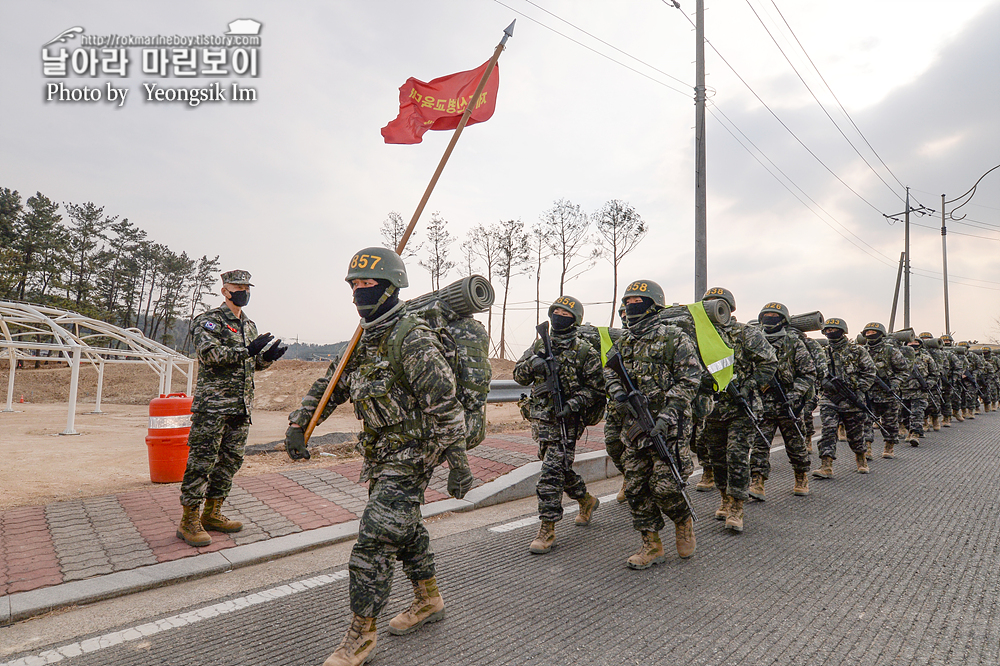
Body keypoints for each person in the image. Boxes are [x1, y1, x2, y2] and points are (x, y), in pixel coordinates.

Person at [284, 248, 473, 666]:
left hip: (416, 452)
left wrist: (459, 464)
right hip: (382, 452)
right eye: (353, 285)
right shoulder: (362, 339)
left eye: (366, 284)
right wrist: (300, 424)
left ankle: (361, 634)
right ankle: (429, 598)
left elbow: (447, 406)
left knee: (375, 537)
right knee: (403, 526)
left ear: (391, 287)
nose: (357, 292)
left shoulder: (413, 337)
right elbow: (331, 384)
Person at [176, 270, 286, 547]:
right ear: (225, 290)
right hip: (213, 406)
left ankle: (213, 513)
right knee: (202, 462)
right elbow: (210, 355)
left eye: (247, 287)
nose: (244, 292)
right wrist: (247, 352)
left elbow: (250, 364)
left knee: (230, 461)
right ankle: (189, 520)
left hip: (240, 405)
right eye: (239, 287)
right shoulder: (209, 321)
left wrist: (266, 359)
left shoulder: (248, 324)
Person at [603, 279, 702, 566]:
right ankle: (651, 545)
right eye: (628, 302)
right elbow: (609, 371)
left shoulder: (674, 337)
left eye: (638, 301)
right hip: (634, 428)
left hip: (668, 427)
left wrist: (667, 414)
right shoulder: (623, 341)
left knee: (667, 486)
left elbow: (690, 379)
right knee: (635, 488)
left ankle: (683, 521)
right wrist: (617, 391)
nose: (632, 306)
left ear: (654, 305)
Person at [513, 296, 605, 554]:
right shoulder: (540, 343)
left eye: (565, 314)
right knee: (560, 470)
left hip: (568, 422)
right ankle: (586, 500)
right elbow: (518, 376)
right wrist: (534, 363)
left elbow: (598, 390)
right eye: (555, 312)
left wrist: (573, 404)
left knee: (550, 475)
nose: (558, 317)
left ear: (575, 321)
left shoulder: (585, 352)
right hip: (542, 421)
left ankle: (547, 528)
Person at [696, 287, 777, 533]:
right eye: (707, 303)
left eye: (717, 303)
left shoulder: (745, 333)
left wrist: (750, 385)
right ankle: (724, 497)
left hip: (742, 408)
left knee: (737, 457)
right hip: (712, 409)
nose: (712, 308)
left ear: (729, 308)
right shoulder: (698, 334)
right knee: (717, 459)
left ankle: (737, 507)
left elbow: (769, 362)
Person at [750, 302, 815, 499]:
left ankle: (801, 475)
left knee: (796, 444)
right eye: (766, 315)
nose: (770, 319)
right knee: (759, 445)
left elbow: (809, 373)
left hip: (789, 405)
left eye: (774, 315)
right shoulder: (755, 341)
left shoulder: (793, 342)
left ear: (783, 320)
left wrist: (794, 394)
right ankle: (757, 481)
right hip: (762, 405)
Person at [813, 318, 876, 477]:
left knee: (855, 435)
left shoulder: (857, 351)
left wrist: (857, 389)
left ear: (842, 331)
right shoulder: (823, 352)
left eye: (833, 329)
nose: (830, 332)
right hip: (829, 399)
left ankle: (861, 457)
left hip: (852, 399)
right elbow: (815, 372)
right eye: (827, 330)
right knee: (828, 430)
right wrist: (823, 383)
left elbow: (869, 373)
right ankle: (826, 465)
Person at [861, 322, 908, 459]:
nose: (870, 335)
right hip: (868, 394)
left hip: (887, 394)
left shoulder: (891, 351)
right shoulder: (861, 351)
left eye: (873, 332)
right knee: (866, 421)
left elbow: (903, 371)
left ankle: (889, 445)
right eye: (867, 333)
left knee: (890, 423)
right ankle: (867, 448)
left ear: (881, 334)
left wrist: (895, 383)